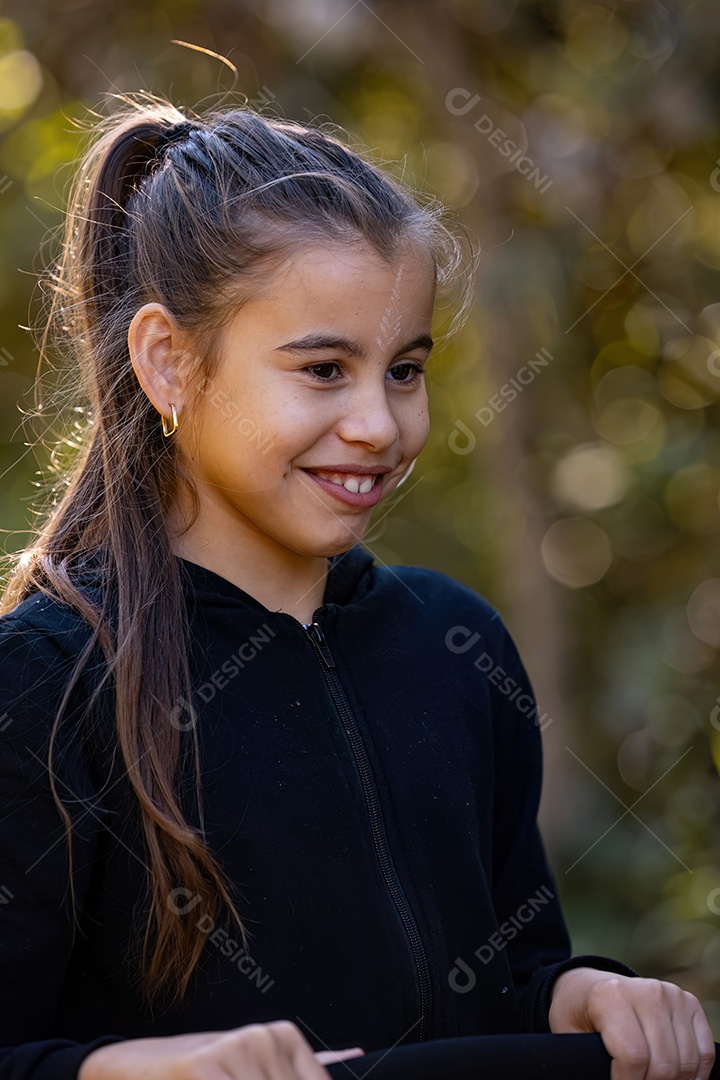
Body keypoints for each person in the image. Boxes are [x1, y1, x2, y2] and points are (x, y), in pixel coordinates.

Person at [0, 92, 715, 1080]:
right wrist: (136, 1070)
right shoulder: (46, 682)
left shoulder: (456, 645)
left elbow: (514, 969)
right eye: (327, 370)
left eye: (406, 370)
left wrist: (588, 994)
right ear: (170, 362)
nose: (380, 425)